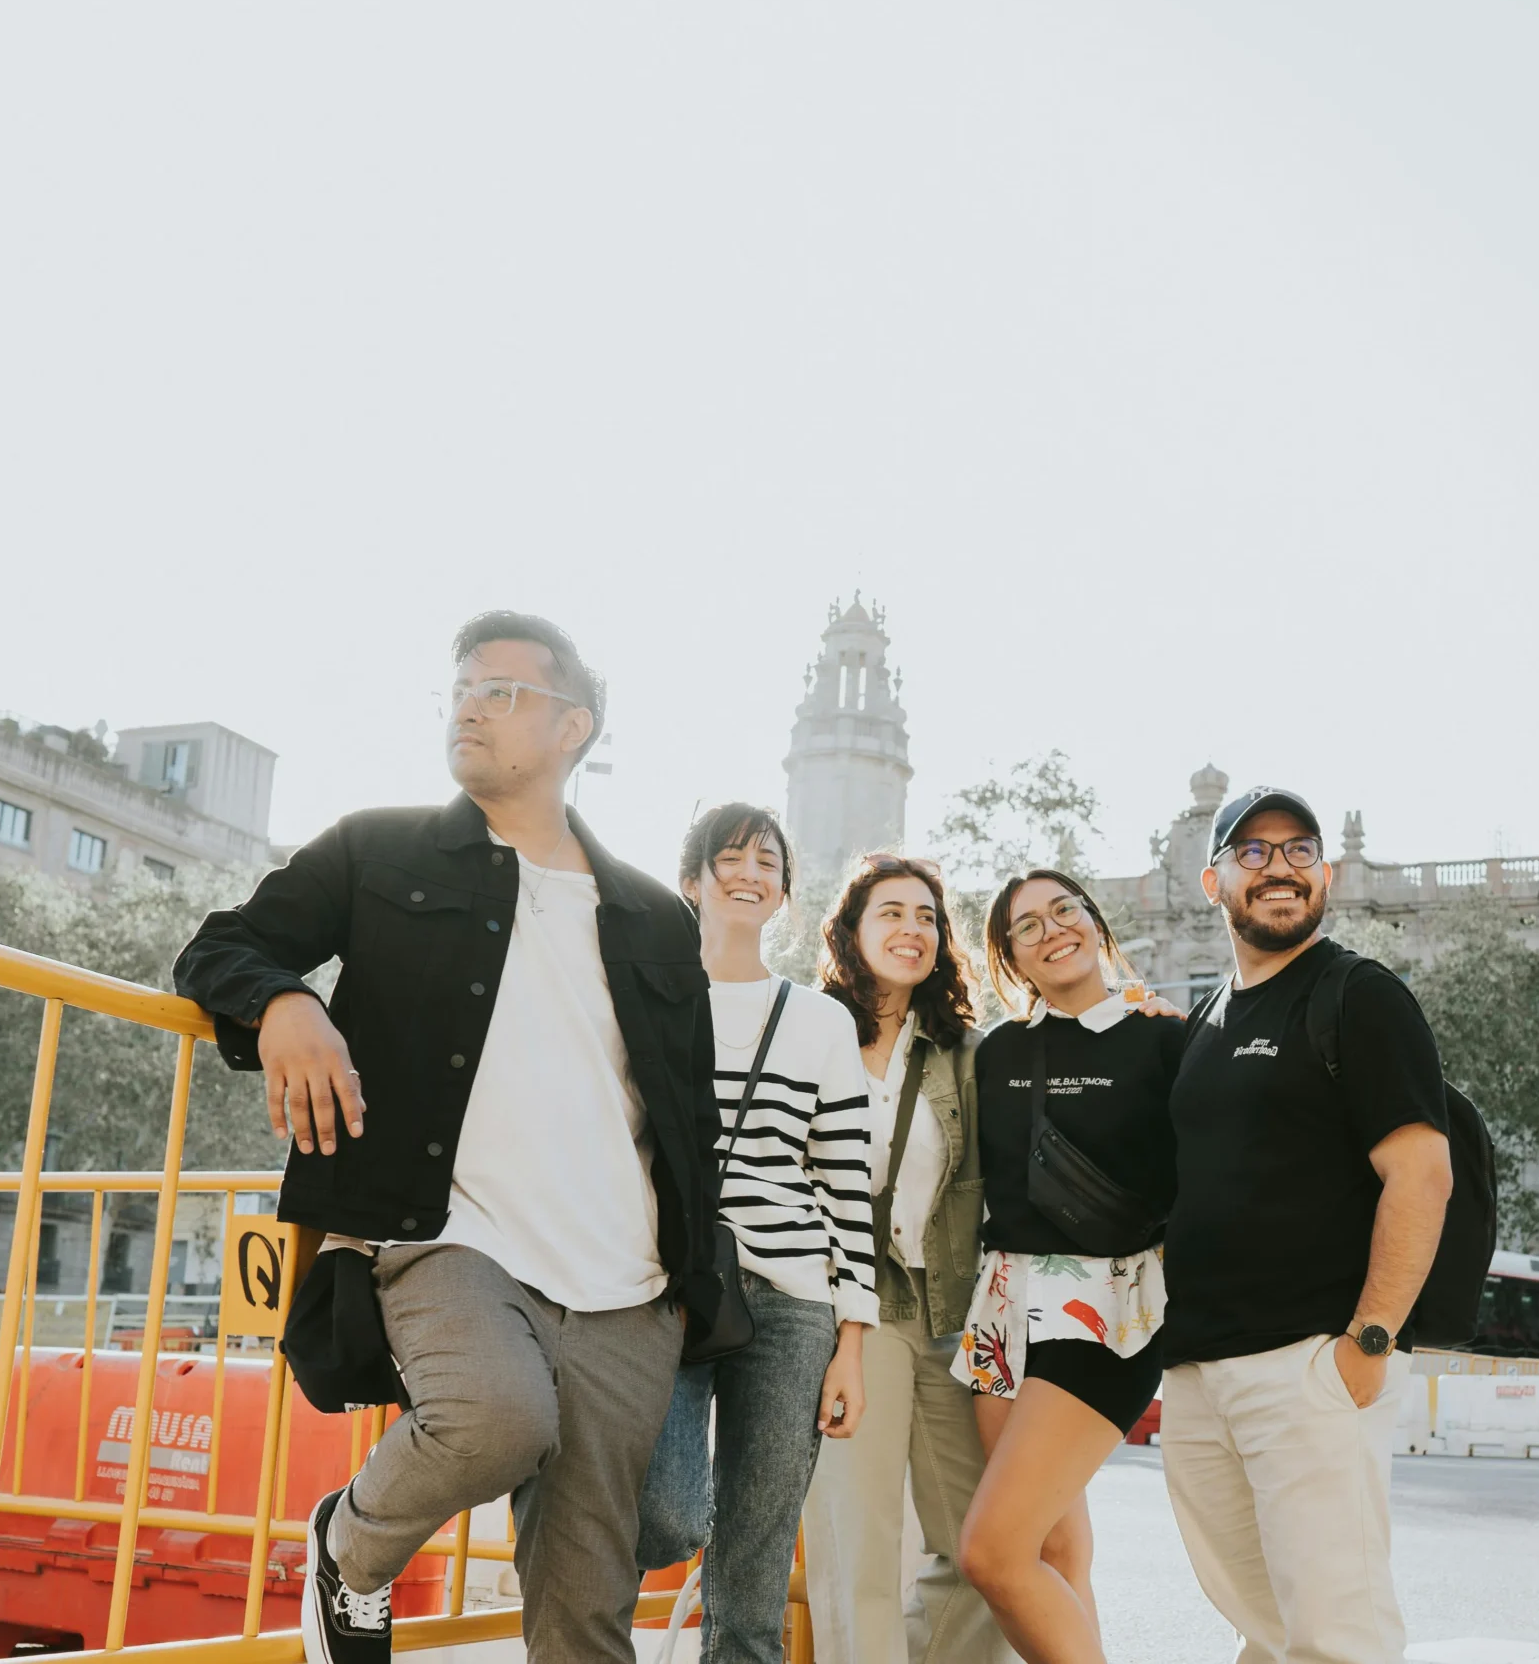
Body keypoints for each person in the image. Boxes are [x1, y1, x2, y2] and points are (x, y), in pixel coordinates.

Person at [172, 612, 726, 1664]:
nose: (470, 703)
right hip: (441, 1233)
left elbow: (686, 1117)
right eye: (461, 688)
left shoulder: (655, 913)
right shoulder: (376, 848)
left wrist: (698, 1283)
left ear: (574, 726)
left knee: (586, 1601)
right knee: (495, 1419)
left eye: (502, 690)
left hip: (628, 1279)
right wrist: (283, 1003)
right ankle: (351, 1545)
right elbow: (222, 947)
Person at [1156, 787, 1454, 1664]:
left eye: (1297, 849)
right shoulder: (1206, 1017)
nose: (1278, 866)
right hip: (1202, 1370)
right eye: (1252, 852)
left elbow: (1421, 1175)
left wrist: (1367, 1341)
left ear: (1325, 873)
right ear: (1213, 882)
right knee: (1270, 1627)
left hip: (1310, 1363)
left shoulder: (1360, 995)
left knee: (1335, 1631)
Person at [634, 803, 880, 1663]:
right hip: (666, 1287)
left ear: (783, 892)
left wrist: (852, 1340)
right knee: (665, 1507)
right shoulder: (648, 1000)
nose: (748, 871)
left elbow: (847, 1184)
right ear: (692, 881)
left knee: (756, 1558)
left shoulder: (821, 1021)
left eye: (766, 860)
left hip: (793, 1304)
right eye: (728, 856)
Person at [953, 870, 1180, 1664]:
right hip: (1001, 1309)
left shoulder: (1166, 1037)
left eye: (1064, 911)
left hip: (1107, 1313)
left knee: (991, 1552)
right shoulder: (996, 1052)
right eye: (1027, 927)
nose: (1051, 930)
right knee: (1054, 1553)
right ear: (1010, 957)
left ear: (1094, 922)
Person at [801, 854, 1012, 1664]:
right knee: (860, 1546)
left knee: (978, 1547)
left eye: (927, 916)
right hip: (846, 1310)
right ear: (852, 930)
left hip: (950, 1308)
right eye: (891, 912)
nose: (912, 929)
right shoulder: (807, 1032)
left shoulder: (967, 1052)